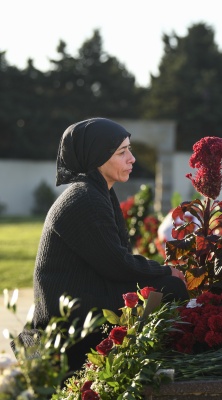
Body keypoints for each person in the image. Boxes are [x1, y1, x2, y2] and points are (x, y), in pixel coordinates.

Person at [30, 118, 189, 372]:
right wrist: (165, 270)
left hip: (87, 297)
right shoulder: (85, 199)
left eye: (130, 149)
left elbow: (116, 260)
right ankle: (149, 364)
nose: (132, 159)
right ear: (97, 157)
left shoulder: (96, 192)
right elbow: (117, 264)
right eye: (121, 152)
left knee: (164, 288)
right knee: (170, 288)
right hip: (71, 323)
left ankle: (146, 358)